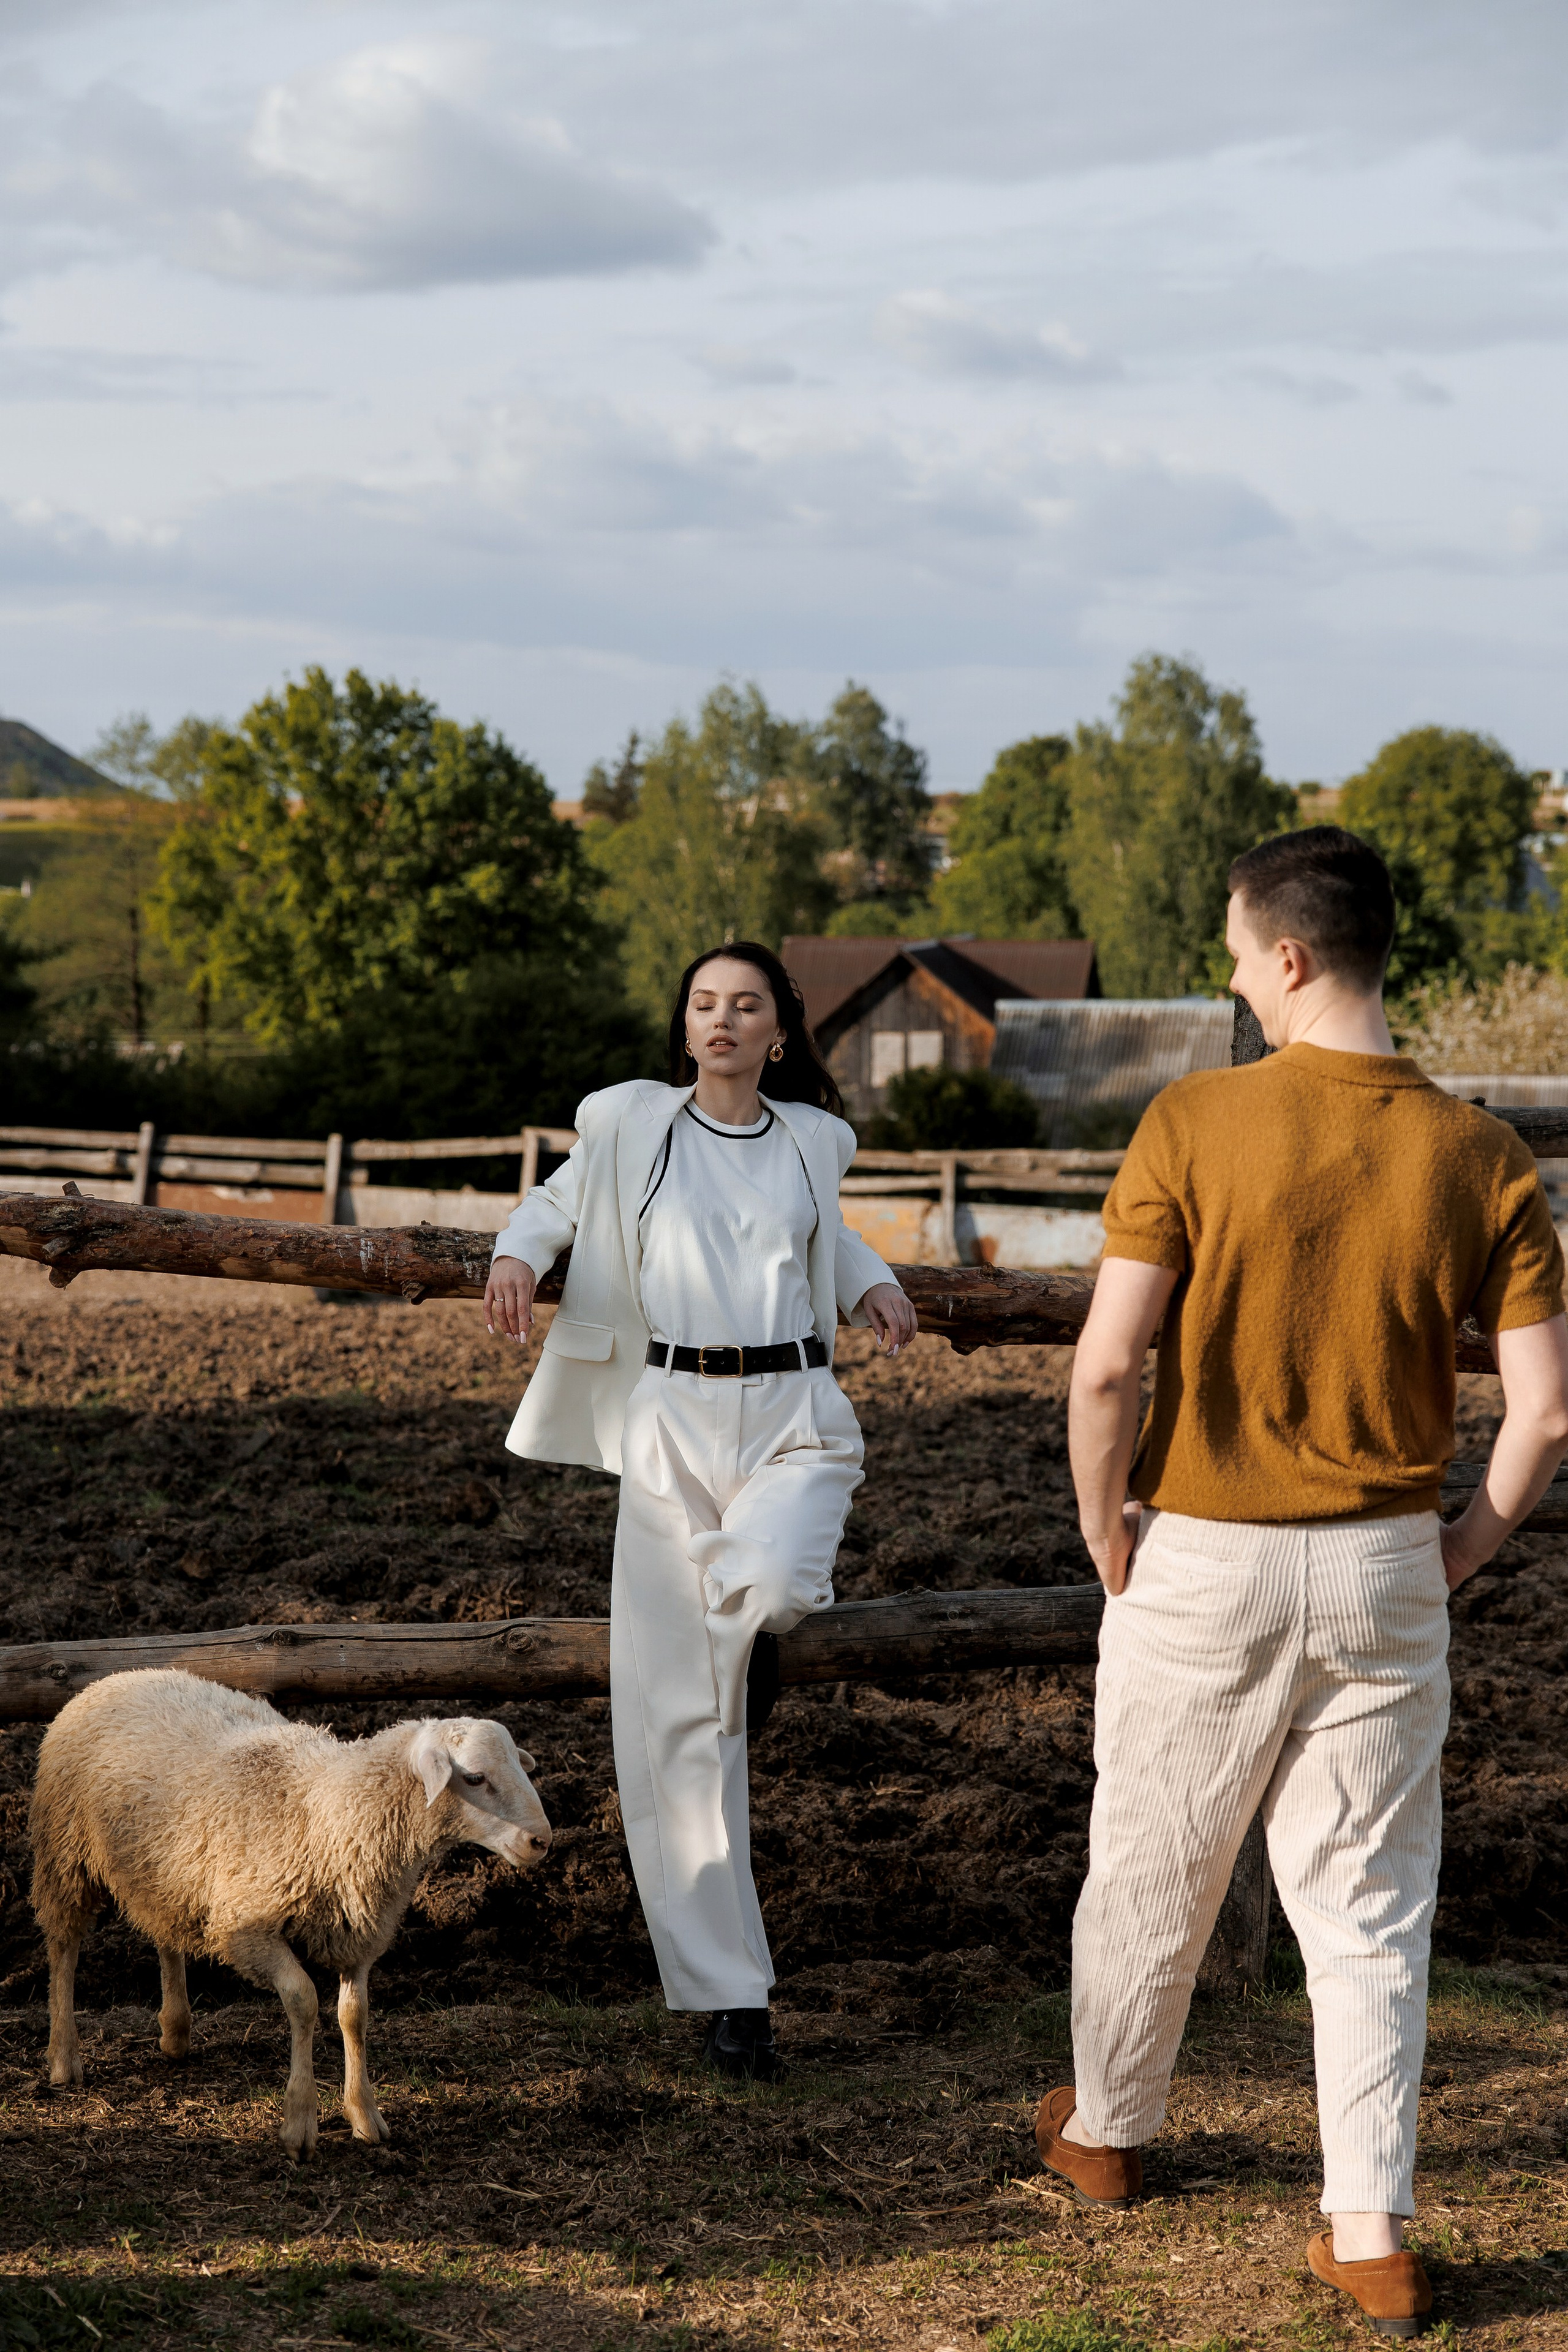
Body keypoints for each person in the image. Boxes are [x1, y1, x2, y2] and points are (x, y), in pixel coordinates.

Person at [1035, 827, 1568, 2339]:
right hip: (1385, 1566)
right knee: (1368, 1903)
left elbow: (1106, 1366)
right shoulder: (1481, 1154)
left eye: (1228, 947)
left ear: (1285, 956)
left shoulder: (1193, 1122)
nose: (1223, 972)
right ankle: (1369, 2229)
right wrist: (1461, 1544)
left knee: (1151, 1852)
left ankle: (1106, 2134)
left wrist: (1102, 1528)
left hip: (1200, 1551)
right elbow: (1540, 1413)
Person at [484, 943, 916, 2081]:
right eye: (704, 1005)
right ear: (685, 1028)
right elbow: (555, 1203)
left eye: (748, 1007)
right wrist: (518, 1256)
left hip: (791, 1410)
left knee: (774, 1587)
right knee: (681, 1729)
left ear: (782, 1032)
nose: (722, 1022)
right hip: (670, 1415)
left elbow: (808, 1233)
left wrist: (870, 1275)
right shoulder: (634, 1126)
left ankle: (752, 1636)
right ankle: (734, 2000)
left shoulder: (818, 1141)